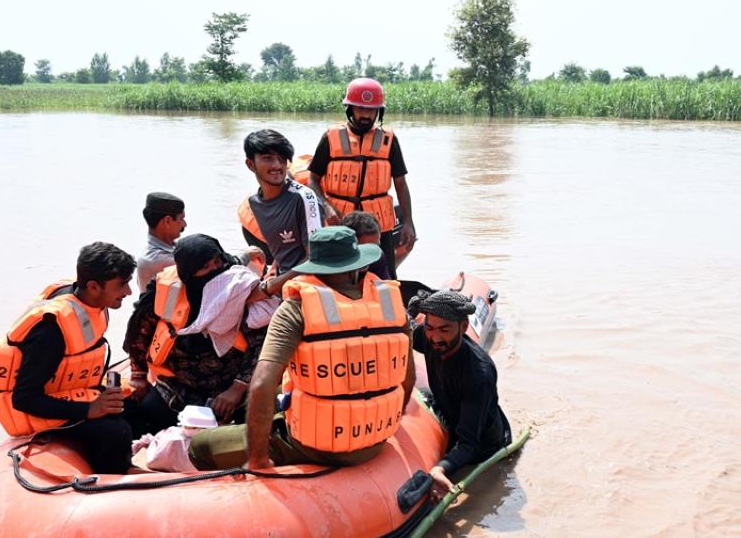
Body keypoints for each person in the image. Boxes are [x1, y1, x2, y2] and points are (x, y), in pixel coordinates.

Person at [188, 226, 414, 471]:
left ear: (313, 266)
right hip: (376, 438)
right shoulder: (392, 304)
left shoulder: (296, 309)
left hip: (316, 446)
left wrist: (258, 459)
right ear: (358, 265)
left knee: (200, 447)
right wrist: (386, 422)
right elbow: (407, 377)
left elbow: (261, 384)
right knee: (280, 392)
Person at [0, 242, 137, 474]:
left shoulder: (91, 301)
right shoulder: (50, 330)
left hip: (70, 391)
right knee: (116, 431)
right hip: (38, 409)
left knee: (136, 405)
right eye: (122, 284)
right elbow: (24, 399)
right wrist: (89, 410)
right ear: (93, 286)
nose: (128, 292)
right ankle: (116, 477)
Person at [123, 234, 278, 435]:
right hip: (178, 386)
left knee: (263, 413)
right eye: (205, 267)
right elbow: (141, 333)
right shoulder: (168, 293)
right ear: (188, 273)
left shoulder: (238, 289)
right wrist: (138, 375)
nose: (215, 270)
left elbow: (262, 345)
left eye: (218, 262)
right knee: (145, 414)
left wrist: (237, 389)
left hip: (232, 387)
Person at [305, 78, 417, 279]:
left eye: (372, 110)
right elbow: (312, 179)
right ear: (350, 109)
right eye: (360, 108)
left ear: (379, 112)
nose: (366, 115)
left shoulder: (389, 140)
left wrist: (408, 221)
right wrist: (327, 207)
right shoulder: (330, 138)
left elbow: (401, 183)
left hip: (378, 225)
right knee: (338, 278)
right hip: (340, 223)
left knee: (384, 278)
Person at [408, 289, 512, 500]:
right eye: (430, 328)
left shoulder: (478, 374)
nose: (436, 337)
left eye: (445, 330)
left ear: (464, 326)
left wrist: (441, 469)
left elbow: (469, 444)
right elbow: (407, 333)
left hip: (481, 443)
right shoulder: (428, 338)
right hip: (450, 412)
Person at [236, 129, 324, 298]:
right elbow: (284, 247)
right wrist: (275, 269)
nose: (277, 165)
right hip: (281, 282)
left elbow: (316, 258)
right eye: (267, 158)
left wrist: (268, 288)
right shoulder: (254, 203)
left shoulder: (304, 198)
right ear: (250, 164)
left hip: (307, 286)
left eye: (282, 159)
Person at [136, 192, 186, 292]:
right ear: (167, 221)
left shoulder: (159, 251)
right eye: (181, 218)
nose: (184, 224)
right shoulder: (160, 259)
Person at [340, 210, 390, 280]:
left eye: (374, 248)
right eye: (366, 248)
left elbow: (384, 284)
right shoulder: (334, 262)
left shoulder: (377, 256)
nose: (370, 256)